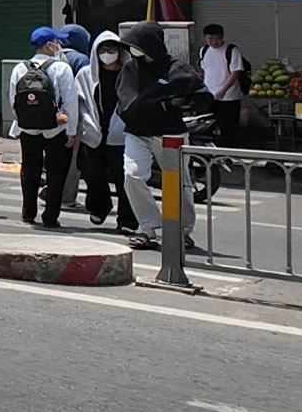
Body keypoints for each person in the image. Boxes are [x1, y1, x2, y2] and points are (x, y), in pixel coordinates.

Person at [118, 21, 208, 250]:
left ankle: (182, 231)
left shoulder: (178, 69)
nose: (135, 51)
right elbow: (123, 97)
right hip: (137, 133)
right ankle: (148, 228)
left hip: (170, 134)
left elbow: (204, 97)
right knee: (132, 175)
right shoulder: (130, 68)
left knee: (179, 183)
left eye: (138, 46)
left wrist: (174, 105)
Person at [7, 27, 81, 228]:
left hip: (27, 130)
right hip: (55, 129)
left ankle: (28, 213)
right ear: (49, 44)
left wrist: (25, 120)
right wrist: (71, 130)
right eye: (56, 41)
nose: (58, 45)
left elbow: (13, 100)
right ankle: (50, 216)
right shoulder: (61, 69)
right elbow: (70, 102)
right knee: (56, 173)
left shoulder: (19, 68)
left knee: (30, 170)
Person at [76, 30, 136, 232]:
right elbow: (79, 102)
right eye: (103, 49)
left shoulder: (129, 73)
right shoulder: (86, 74)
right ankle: (99, 208)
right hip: (93, 132)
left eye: (112, 49)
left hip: (122, 133)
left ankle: (127, 220)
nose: (108, 53)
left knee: (123, 177)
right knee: (93, 173)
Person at [56, 25, 94, 209]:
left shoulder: (52, 56)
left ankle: (53, 189)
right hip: (73, 115)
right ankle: (67, 197)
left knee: (54, 156)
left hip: (51, 116)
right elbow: (89, 87)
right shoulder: (80, 59)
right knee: (73, 159)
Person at [199, 23, 248, 148]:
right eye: (210, 39)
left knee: (229, 128)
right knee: (209, 126)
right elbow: (206, 71)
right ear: (205, 38)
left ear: (222, 37)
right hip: (210, 95)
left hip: (229, 96)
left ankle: (229, 152)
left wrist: (223, 90)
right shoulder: (204, 50)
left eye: (217, 39)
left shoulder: (231, 50)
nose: (214, 42)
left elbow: (235, 72)